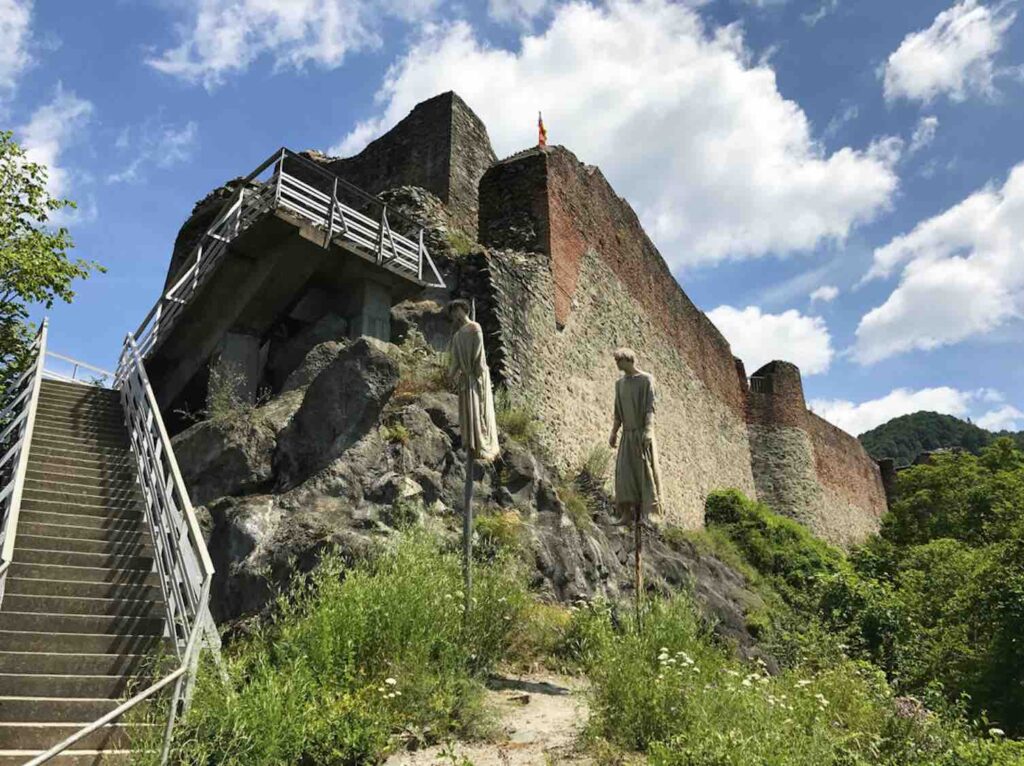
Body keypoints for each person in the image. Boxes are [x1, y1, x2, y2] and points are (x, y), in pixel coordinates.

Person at [608, 347, 663, 525]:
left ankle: (649, 513)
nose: (616, 364)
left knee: (645, 472)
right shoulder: (619, 384)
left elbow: (650, 408)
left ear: (627, 360)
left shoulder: (647, 380)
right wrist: (614, 432)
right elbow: (618, 412)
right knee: (624, 473)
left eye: (618, 360)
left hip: (642, 433)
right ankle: (626, 513)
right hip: (627, 435)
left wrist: (648, 430)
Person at [448, 299, 500, 462]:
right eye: (453, 312)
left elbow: (478, 352)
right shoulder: (457, 336)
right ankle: (470, 441)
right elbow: (455, 360)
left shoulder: (475, 327)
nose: (455, 314)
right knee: (468, 411)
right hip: (466, 377)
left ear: (464, 310)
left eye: (457, 310)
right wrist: (450, 376)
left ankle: (482, 442)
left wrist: (474, 370)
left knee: (480, 407)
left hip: (476, 375)